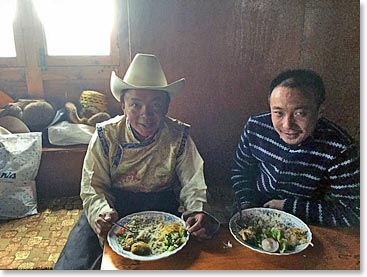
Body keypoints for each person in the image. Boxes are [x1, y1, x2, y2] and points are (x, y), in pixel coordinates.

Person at [54, 53, 219, 270]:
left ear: (167, 107)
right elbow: (93, 187)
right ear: (123, 104)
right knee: (77, 264)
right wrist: (102, 213)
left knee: (180, 261)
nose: (146, 114)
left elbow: (193, 182)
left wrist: (196, 211)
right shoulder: (106, 135)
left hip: (160, 205)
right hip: (113, 206)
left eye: (156, 105)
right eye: (136, 105)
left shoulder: (179, 136)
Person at [231, 69, 359, 227]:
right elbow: (240, 171)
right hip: (254, 208)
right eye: (278, 113)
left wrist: (288, 207)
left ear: (319, 112)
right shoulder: (256, 127)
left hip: (306, 221)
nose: (287, 125)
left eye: (300, 114)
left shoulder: (340, 149)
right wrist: (247, 206)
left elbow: (354, 213)